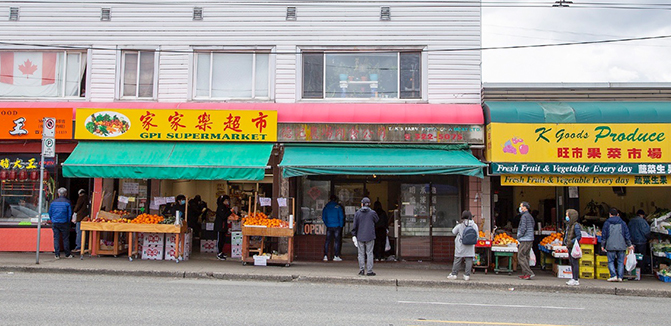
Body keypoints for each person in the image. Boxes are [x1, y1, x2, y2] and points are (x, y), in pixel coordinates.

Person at [602, 208, 634, 282]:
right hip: (621, 245)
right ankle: (620, 277)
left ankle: (613, 275)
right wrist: (629, 245)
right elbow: (627, 235)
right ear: (618, 214)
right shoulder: (623, 223)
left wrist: (602, 245)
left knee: (610, 261)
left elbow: (604, 235)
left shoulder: (607, 223)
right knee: (620, 261)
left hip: (610, 245)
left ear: (610, 214)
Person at [447, 210, 479, 281]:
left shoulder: (460, 225)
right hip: (470, 245)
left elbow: (453, 232)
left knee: (458, 259)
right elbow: (477, 236)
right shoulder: (474, 225)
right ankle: (467, 275)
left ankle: (454, 274)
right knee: (469, 259)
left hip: (461, 244)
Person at [352, 197, 379, 276]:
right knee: (369, 253)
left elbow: (355, 225)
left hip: (360, 235)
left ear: (362, 204)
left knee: (361, 254)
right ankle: (369, 271)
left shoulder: (357, 213)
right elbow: (377, 220)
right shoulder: (372, 213)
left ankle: (361, 270)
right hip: (370, 235)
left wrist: (354, 235)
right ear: (369, 204)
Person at [49, 187, 73, 259]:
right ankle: (67, 254)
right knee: (65, 238)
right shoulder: (67, 202)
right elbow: (69, 214)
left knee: (56, 238)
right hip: (64, 222)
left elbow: (50, 213)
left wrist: (52, 219)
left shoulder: (53, 202)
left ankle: (57, 254)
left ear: (58, 194)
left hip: (55, 222)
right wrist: (68, 221)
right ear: (65, 194)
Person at [322, 195, 345, 262]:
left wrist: (327, 224)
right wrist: (341, 225)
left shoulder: (326, 207)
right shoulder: (338, 207)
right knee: (337, 241)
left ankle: (325, 256)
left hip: (329, 226)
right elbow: (341, 217)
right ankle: (336, 256)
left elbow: (323, 217)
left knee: (327, 241)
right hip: (337, 226)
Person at [563, 209, 582, 286]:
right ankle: (573, 278)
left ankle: (575, 279)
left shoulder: (575, 226)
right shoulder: (569, 225)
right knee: (571, 262)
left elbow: (579, 236)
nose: (566, 217)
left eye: (567, 215)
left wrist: (572, 241)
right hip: (569, 246)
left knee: (574, 262)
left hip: (573, 246)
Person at [517, 201, 535, 280]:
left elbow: (523, 228)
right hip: (530, 238)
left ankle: (528, 273)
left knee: (520, 255)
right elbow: (533, 224)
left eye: (521, 207)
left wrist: (519, 235)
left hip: (525, 239)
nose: (520, 208)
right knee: (526, 256)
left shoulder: (524, 216)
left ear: (525, 208)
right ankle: (525, 274)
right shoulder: (530, 216)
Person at [215, 195, 232, 260]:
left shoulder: (225, 207)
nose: (227, 202)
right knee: (220, 240)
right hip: (220, 226)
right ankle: (219, 253)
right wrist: (230, 212)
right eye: (226, 200)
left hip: (224, 226)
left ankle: (221, 252)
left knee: (223, 239)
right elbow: (223, 216)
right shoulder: (220, 207)